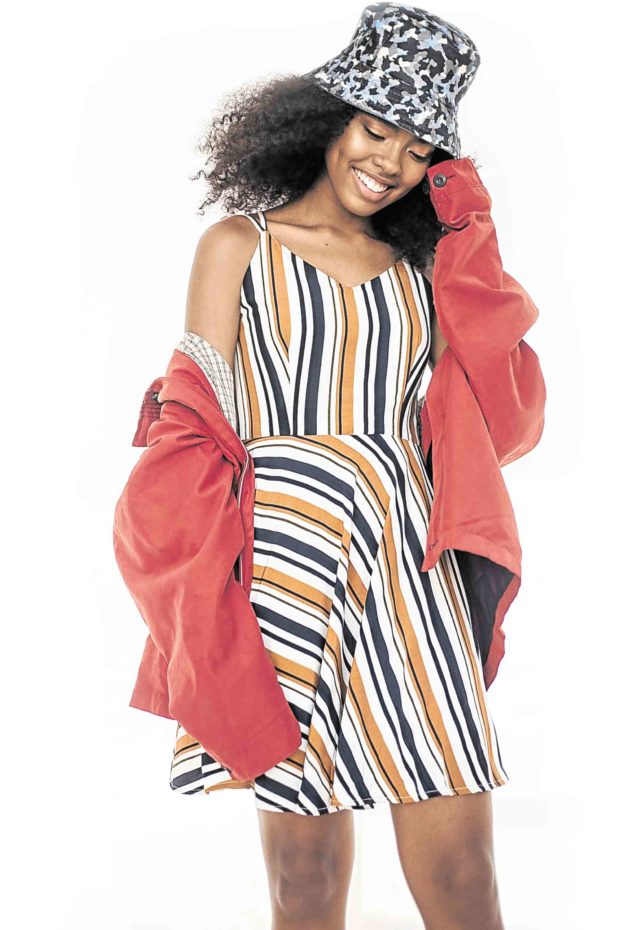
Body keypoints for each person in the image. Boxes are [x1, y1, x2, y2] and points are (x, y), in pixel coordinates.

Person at [124, 5, 544, 929]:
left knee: (464, 872)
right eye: (376, 129)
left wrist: (469, 232)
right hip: (285, 565)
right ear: (327, 119)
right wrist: (201, 588)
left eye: (418, 150)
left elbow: (503, 412)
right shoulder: (238, 245)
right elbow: (196, 422)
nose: (390, 161)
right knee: (303, 878)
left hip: (407, 560)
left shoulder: (423, 269)